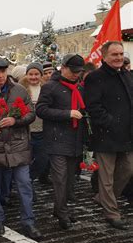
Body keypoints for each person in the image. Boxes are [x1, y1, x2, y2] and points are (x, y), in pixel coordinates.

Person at [0, 57, 42, 240]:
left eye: (2, 71)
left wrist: (16, 121)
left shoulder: (20, 90)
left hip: (18, 146)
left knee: (24, 185)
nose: (0, 75)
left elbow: (31, 113)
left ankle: (28, 222)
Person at [84, 41, 133, 230]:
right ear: (104, 56)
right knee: (106, 177)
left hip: (127, 134)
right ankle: (112, 213)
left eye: (121, 54)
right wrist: (111, 123)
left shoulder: (126, 75)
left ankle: (102, 198)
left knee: (128, 169)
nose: (119, 57)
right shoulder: (95, 77)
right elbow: (94, 107)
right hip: (106, 135)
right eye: (114, 54)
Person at [36, 54, 86, 230]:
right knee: (60, 178)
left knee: (70, 180)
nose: (76, 75)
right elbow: (41, 110)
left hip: (75, 140)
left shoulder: (79, 87)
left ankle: (60, 209)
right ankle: (62, 213)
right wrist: (67, 114)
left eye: (79, 72)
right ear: (63, 68)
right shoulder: (50, 87)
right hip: (57, 140)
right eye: (73, 71)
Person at [19, 63, 49, 196]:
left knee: (43, 159)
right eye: (31, 74)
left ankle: (29, 180)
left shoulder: (46, 88)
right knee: (26, 160)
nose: (33, 77)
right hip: (26, 131)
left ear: (41, 75)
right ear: (26, 75)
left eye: (36, 74)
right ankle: (27, 187)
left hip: (42, 130)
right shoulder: (21, 89)